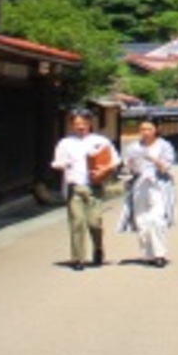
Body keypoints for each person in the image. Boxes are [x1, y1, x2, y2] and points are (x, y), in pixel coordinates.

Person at [49, 111, 116, 270]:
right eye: (77, 123)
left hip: (94, 186)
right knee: (77, 222)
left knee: (94, 223)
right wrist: (61, 165)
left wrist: (104, 169)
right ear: (71, 125)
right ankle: (77, 258)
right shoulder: (65, 143)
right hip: (75, 186)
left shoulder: (100, 141)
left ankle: (98, 248)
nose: (80, 126)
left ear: (90, 123)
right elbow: (57, 162)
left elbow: (114, 161)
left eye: (84, 123)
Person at [117, 120, 178, 266]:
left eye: (149, 129)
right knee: (142, 220)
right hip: (139, 185)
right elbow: (128, 167)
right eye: (142, 129)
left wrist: (154, 159)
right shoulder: (133, 147)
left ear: (156, 129)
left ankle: (160, 254)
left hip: (159, 184)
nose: (145, 132)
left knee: (157, 219)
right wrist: (129, 165)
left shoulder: (164, 146)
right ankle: (147, 254)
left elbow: (167, 166)